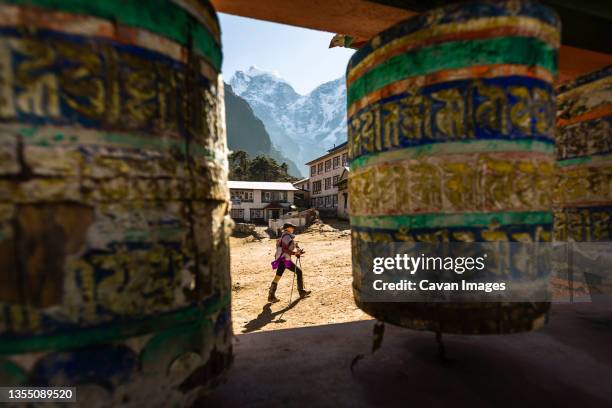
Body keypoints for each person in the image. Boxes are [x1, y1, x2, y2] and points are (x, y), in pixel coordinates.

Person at [268, 222, 311, 302]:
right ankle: (301, 292)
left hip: (282, 259)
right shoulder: (287, 236)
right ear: (287, 228)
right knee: (299, 272)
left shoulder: (284, 236)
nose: (293, 228)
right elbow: (285, 249)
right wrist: (295, 253)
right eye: (292, 227)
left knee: (278, 276)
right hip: (285, 260)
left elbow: (288, 248)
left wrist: (296, 252)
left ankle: (271, 295)